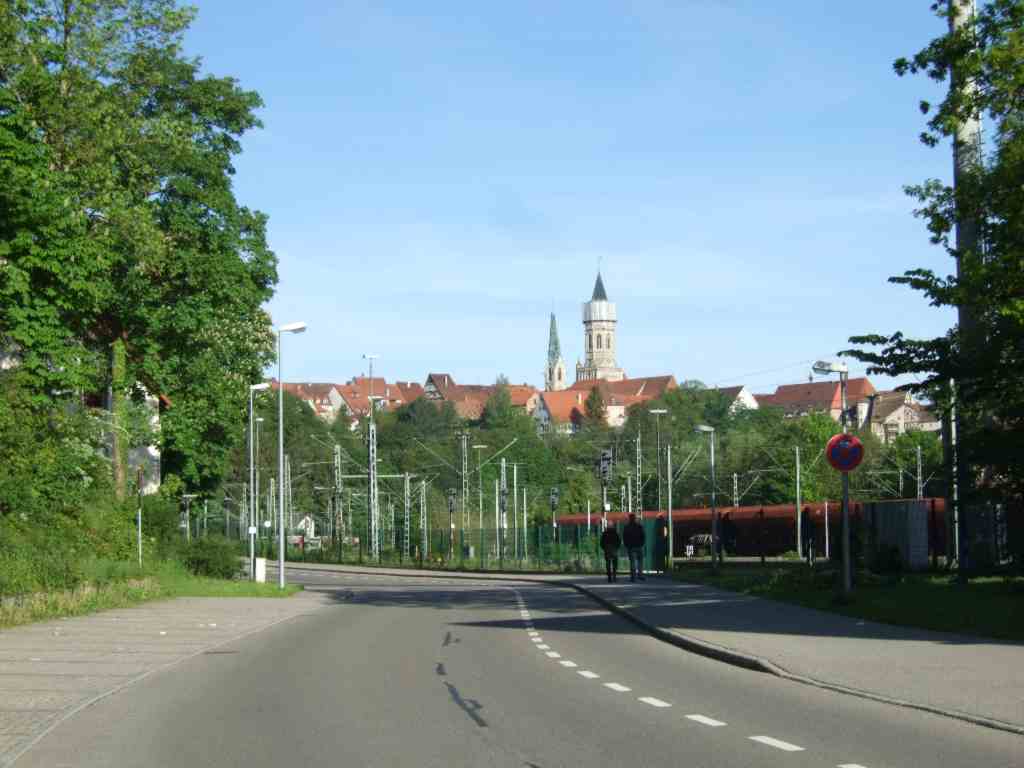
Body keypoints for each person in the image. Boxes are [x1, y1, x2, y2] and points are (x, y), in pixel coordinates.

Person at [622, 513, 646, 582]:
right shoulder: (639, 526)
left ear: (629, 519)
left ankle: (633, 577)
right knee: (640, 561)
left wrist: (627, 545)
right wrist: (641, 543)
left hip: (631, 547)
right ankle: (640, 575)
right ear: (635, 518)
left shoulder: (627, 527)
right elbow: (643, 536)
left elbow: (624, 537)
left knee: (632, 561)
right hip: (639, 546)